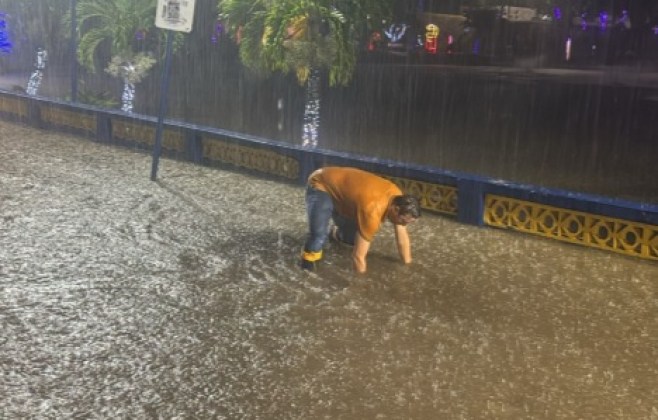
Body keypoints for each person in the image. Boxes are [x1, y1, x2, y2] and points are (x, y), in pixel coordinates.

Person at [300, 166, 421, 273]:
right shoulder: (373, 213)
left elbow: (402, 239)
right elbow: (358, 257)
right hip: (321, 184)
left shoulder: (397, 196)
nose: (404, 225)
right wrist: (361, 285)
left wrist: (408, 265)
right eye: (404, 221)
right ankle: (306, 269)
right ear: (395, 209)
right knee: (318, 237)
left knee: (351, 240)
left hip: (344, 196)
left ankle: (335, 232)